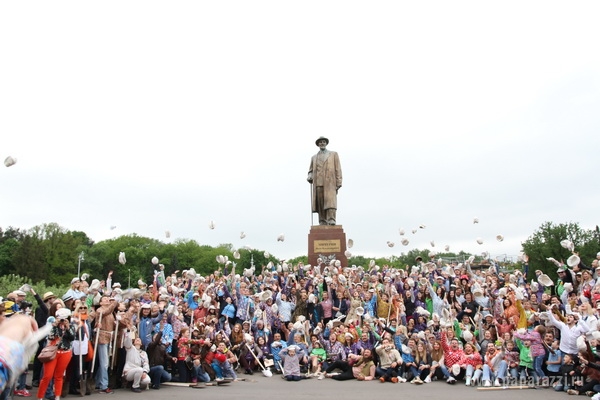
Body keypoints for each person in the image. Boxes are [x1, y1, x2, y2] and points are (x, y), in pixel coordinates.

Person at [36, 308, 76, 400]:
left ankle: (57, 396)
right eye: (60, 318)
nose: (62, 320)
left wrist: (67, 327)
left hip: (65, 352)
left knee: (59, 376)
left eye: (64, 318)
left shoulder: (71, 326)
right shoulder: (52, 325)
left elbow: (72, 337)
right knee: (47, 376)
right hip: (52, 352)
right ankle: (40, 397)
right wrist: (55, 326)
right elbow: (51, 336)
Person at [307, 136, 342, 226]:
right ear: (318, 144)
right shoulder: (314, 157)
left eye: (323, 142)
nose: (322, 143)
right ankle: (322, 221)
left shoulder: (333, 154)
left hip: (330, 182)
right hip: (318, 182)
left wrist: (339, 182)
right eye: (320, 142)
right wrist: (310, 176)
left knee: (330, 202)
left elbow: (338, 169)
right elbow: (310, 171)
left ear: (326, 143)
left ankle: (331, 219)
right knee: (320, 203)